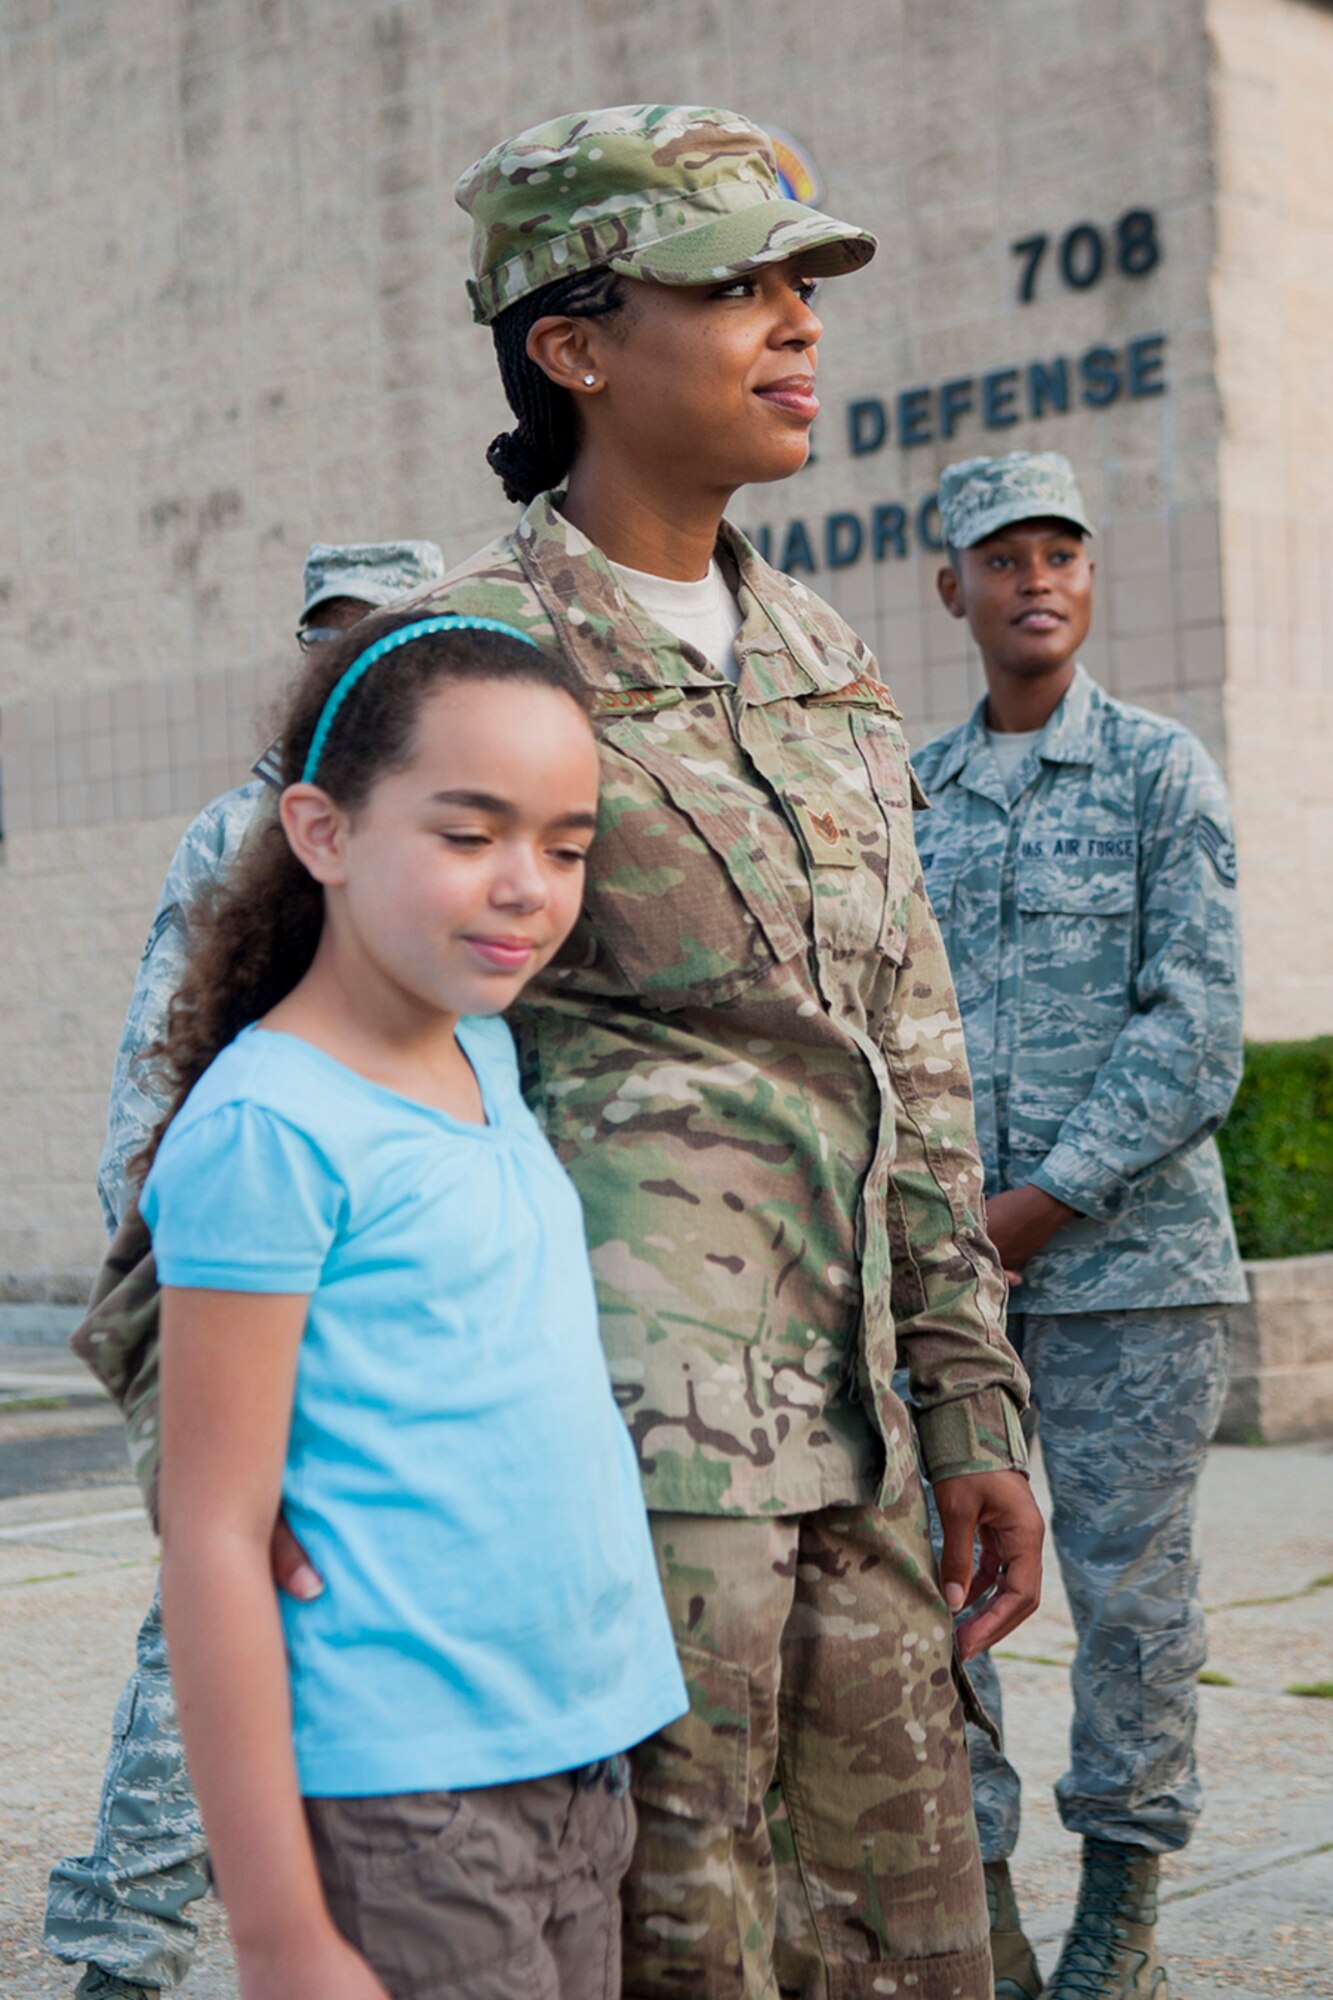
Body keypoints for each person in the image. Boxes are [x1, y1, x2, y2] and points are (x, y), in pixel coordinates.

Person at [75, 107, 1044, 2000]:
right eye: (733, 285)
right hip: (606, 1512)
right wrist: (241, 1495)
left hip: (846, 1465)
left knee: (913, 1954)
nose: (792, 323)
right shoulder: (465, 665)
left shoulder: (827, 658)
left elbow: (905, 1056)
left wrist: (967, 1402)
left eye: (801, 286)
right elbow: (231, 1071)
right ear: (573, 344)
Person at [141, 608, 687, 2000]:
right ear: (322, 833)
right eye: (468, 834)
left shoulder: (484, 1057)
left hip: (577, 1761)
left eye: (565, 846)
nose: (528, 886)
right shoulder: (272, 1126)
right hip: (412, 1804)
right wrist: (279, 1937)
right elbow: (213, 1536)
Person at [46, 539, 444, 2000]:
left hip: (427, 1299)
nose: (356, 663)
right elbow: (155, 1079)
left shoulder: (468, 827)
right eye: (332, 640)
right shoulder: (238, 835)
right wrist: (174, 1315)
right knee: (210, 1628)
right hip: (269, 1289)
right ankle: (126, 1954)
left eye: (384, 637)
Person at [912, 451, 1246, 1999]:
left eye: (1061, 552)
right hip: (946, 1297)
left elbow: (1194, 1033)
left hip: (1130, 1281)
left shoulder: (1159, 773)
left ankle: (1118, 1907)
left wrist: (1032, 1211)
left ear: (1089, 580)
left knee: (1130, 1598)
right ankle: (973, 1889)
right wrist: (946, 1242)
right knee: (934, 1584)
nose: (1035, 578)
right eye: (1002, 556)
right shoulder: (907, 798)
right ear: (953, 590)